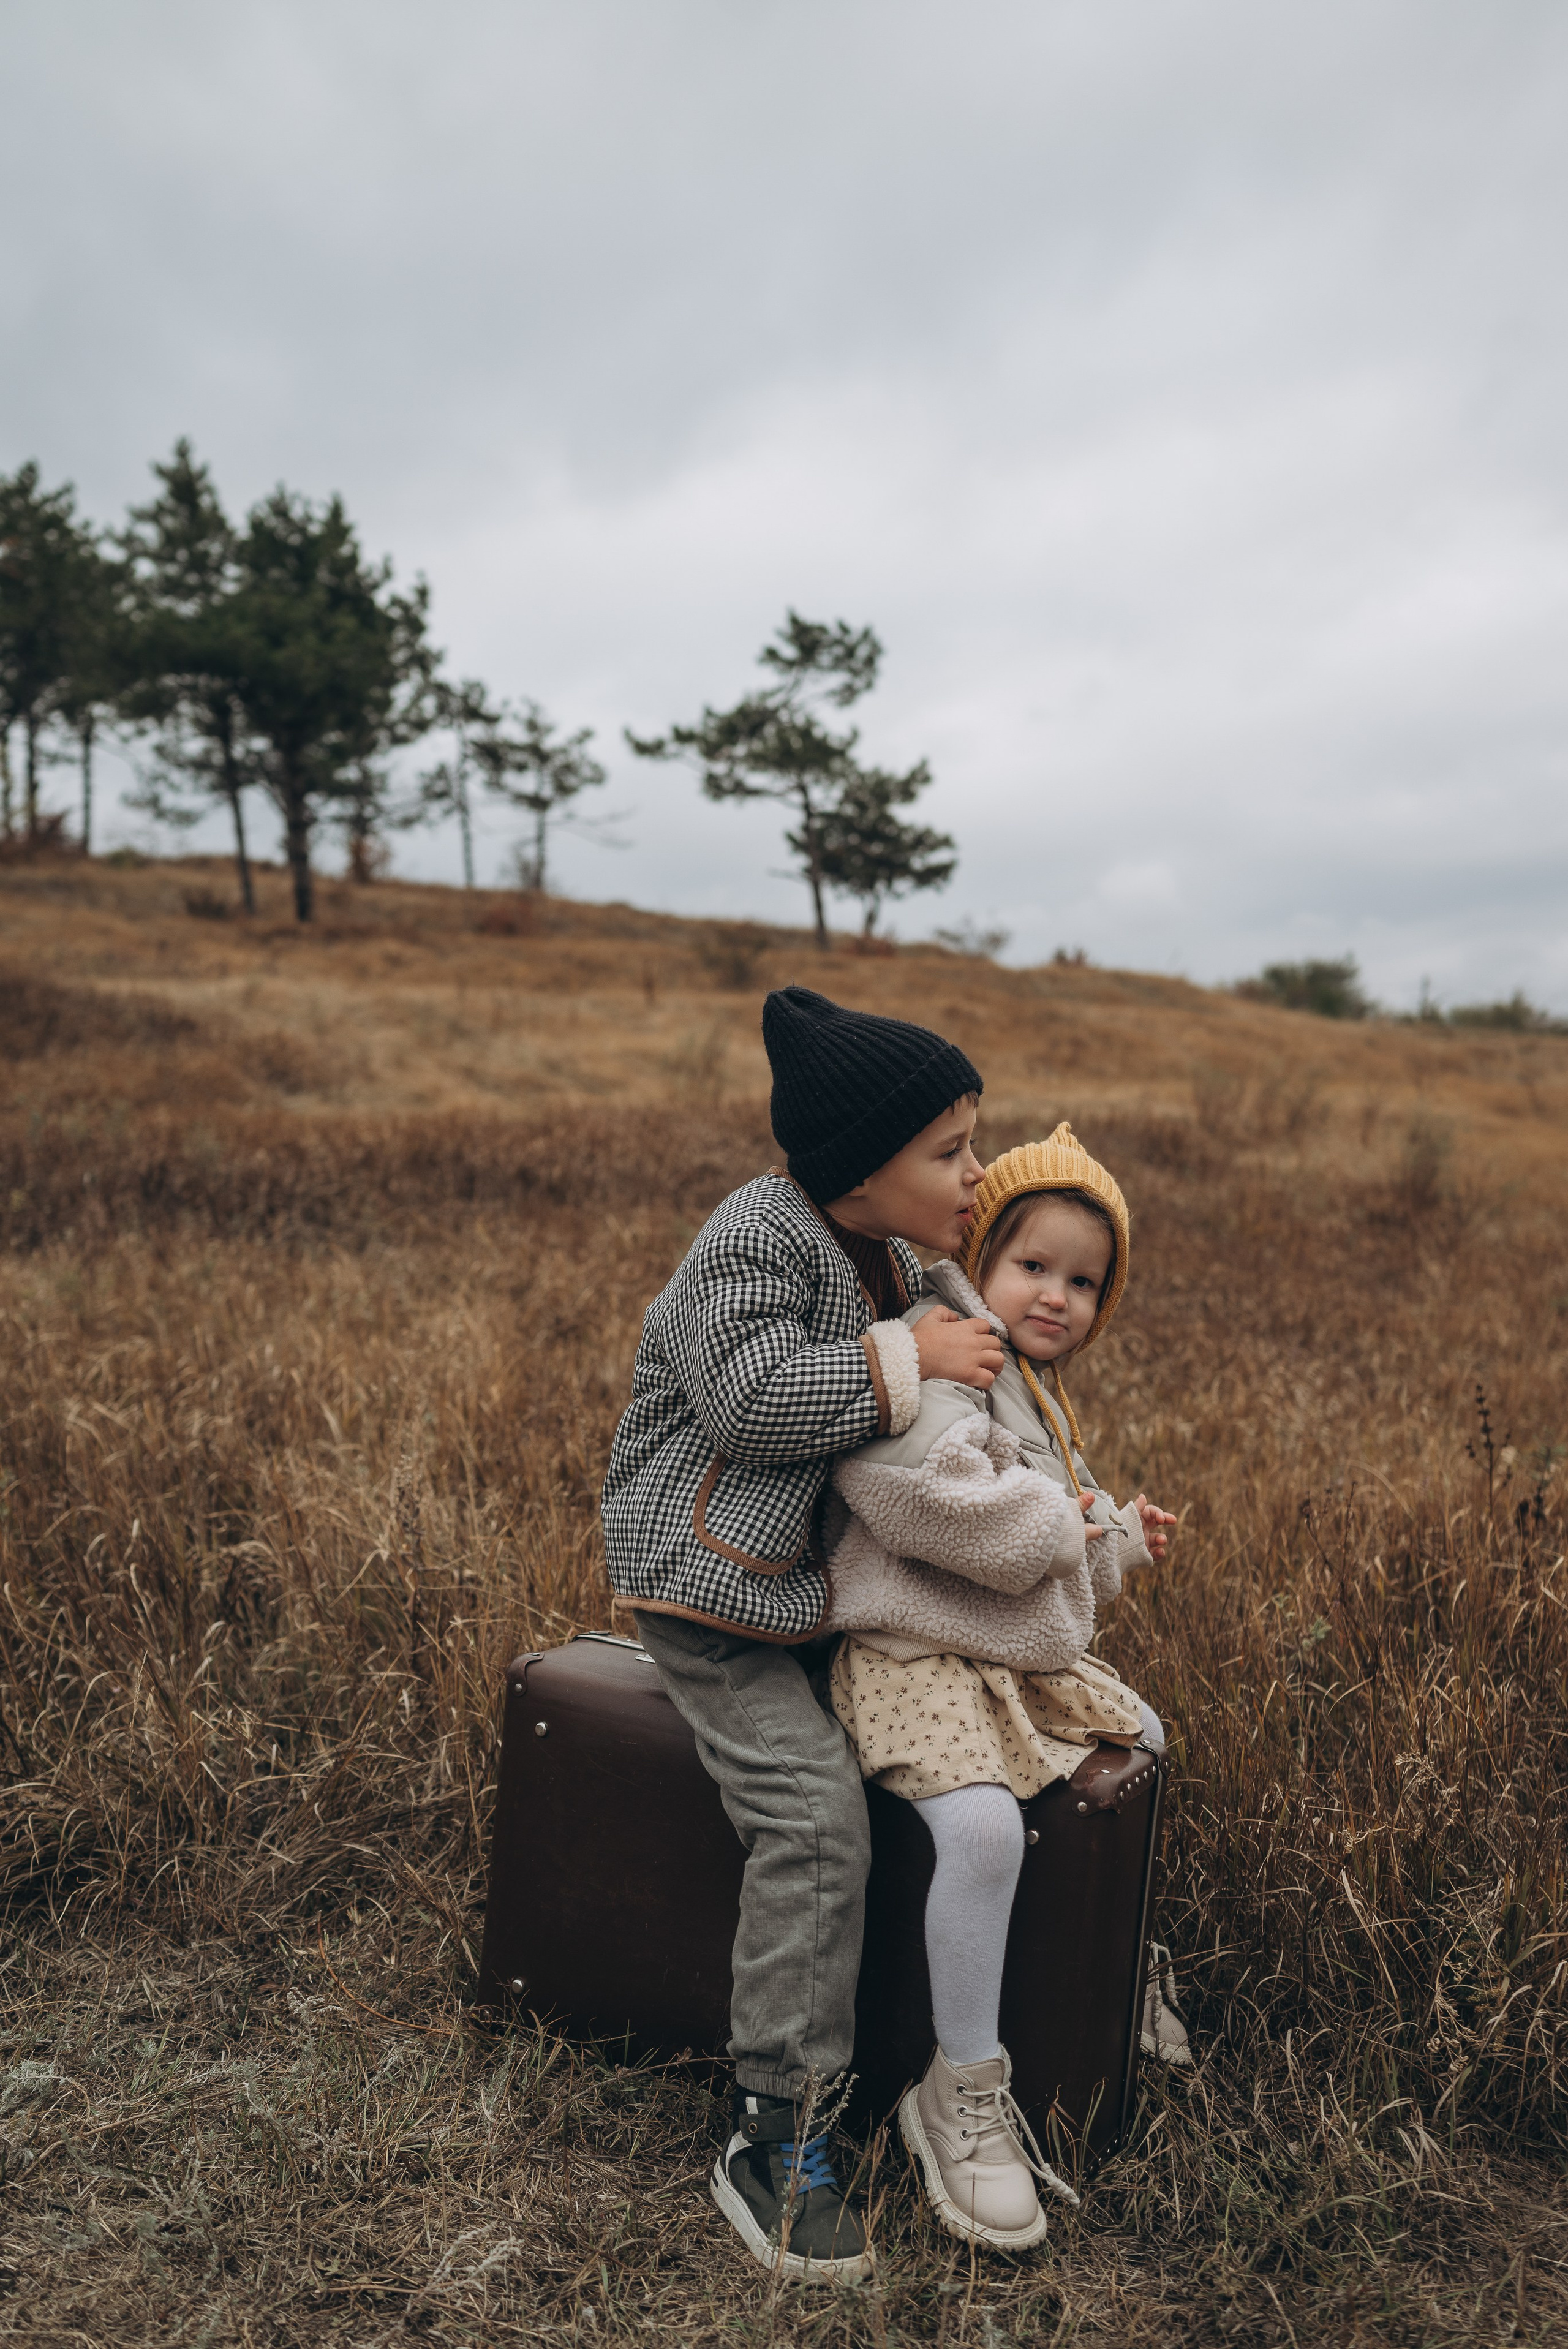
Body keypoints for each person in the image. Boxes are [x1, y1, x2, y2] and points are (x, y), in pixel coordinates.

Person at [601, 984, 1007, 2283]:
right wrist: (909, 1358)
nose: (973, 1170)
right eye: (949, 1149)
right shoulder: (755, 1239)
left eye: (973, 1141)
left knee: (964, 1744)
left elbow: (968, 1363)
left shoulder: (888, 1258)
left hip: (802, 1589)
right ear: (857, 1166)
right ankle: (774, 2129)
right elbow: (746, 1401)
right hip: (707, 1595)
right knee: (815, 1813)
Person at [822, 1122, 1183, 2251]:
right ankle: (961, 2088)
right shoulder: (938, 1348)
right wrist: (1065, 1528)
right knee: (977, 1832)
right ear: (977, 1259)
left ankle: (1118, 1954)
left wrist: (1111, 1538)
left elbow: (1044, 1553)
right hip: (910, 1656)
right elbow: (922, 1500)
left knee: (1145, 1736)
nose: (1059, 1297)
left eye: (1084, 1281)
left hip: (996, 1662)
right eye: (1034, 1266)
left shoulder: (1029, 1389)